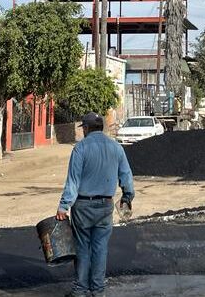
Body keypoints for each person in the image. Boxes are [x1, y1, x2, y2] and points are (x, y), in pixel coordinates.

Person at [56, 112, 135, 297]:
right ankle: (98, 291)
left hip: (82, 207)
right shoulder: (116, 148)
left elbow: (73, 182)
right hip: (105, 206)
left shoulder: (80, 149)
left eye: (83, 128)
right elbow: (126, 176)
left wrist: (63, 206)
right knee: (100, 248)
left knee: (82, 248)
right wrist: (127, 197)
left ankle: (81, 290)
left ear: (86, 128)